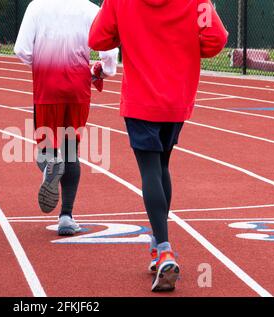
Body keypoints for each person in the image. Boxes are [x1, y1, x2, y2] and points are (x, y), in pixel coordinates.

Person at [89, 0, 228, 291]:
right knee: (162, 166)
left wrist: (126, 34)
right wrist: (187, 47)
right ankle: (157, 245)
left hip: (141, 98)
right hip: (178, 97)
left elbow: (97, 38)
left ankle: (164, 249)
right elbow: (216, 40)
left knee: (151, 170)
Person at [14, 0, 118, 236]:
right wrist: (105, 70)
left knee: (45, 148)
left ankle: (50, 163)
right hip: (78, 87)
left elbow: (22, 50)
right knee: (72, 150)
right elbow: (109, 51)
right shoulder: (92, 10)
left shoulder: (36, 7)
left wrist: (42, 64)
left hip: (46, 86)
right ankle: (66, 217)